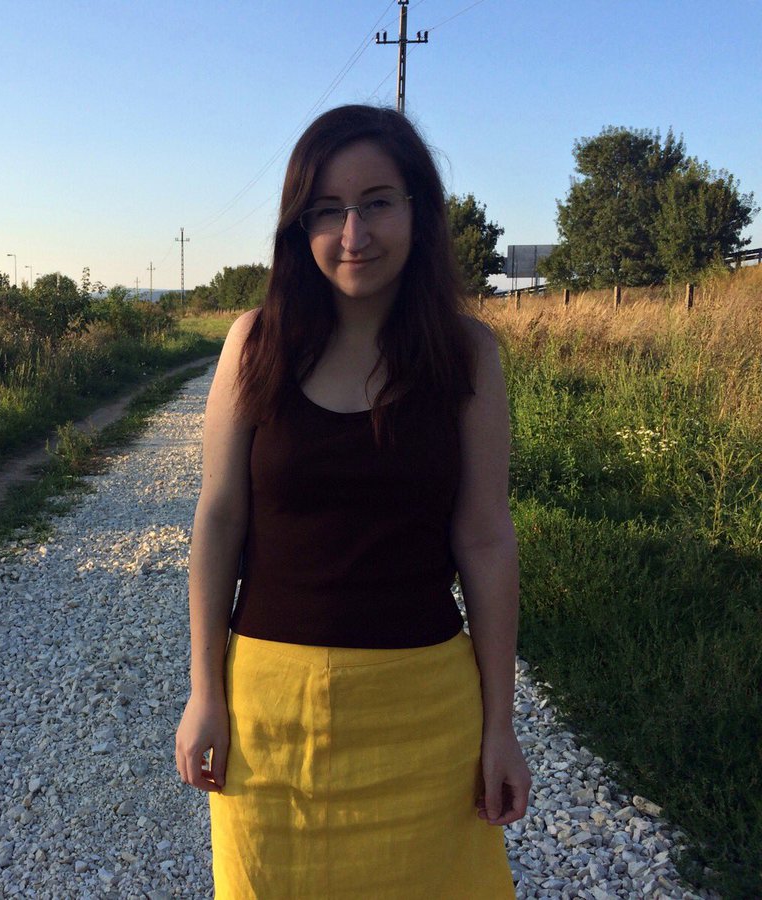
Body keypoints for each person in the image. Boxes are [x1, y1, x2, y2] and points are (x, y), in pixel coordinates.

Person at [174, 104, 531, 898]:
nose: (353, 233)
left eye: (377, 202)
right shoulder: (252, 343)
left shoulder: (469, 356)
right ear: (298, 226)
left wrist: (500, 727)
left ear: (418, 212)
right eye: (328, 210)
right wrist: (205, 692)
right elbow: (220, 519)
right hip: (269, 716)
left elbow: (484, 540)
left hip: (426, 718)